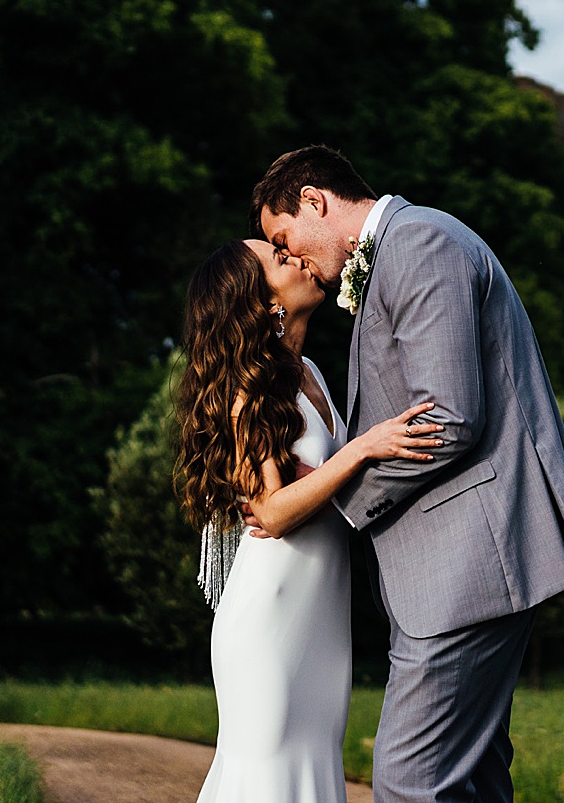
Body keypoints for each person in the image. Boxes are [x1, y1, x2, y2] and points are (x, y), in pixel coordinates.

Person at [251, 145, 564, 803]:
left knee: (408, 781)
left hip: (469, 564)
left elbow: (448, 419)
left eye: (284, 237)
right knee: (472, 779)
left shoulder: (418, 244)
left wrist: (343, 505)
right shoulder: (406, 249)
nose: (291, 255)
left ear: (314, 201)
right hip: (458, 565)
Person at [176, 238, 443, 803]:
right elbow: (271, 513)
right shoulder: (251, 388)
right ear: (260, 300)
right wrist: (363, 448)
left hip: (321, 614)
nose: (296, 258)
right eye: (278, 259)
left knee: (314, 765)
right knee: (268, 776)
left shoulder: (313, 371)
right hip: (269, 619)